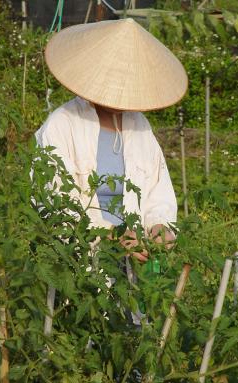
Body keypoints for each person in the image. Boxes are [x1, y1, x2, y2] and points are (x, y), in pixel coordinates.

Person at [35, 18, 188, 262]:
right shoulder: (62, 124)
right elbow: (56, 201)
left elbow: (158, 190)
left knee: (150, 291)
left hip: (138, 249)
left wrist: (159, 225)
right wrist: (112, 236)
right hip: (83, 250)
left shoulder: (138, 125)